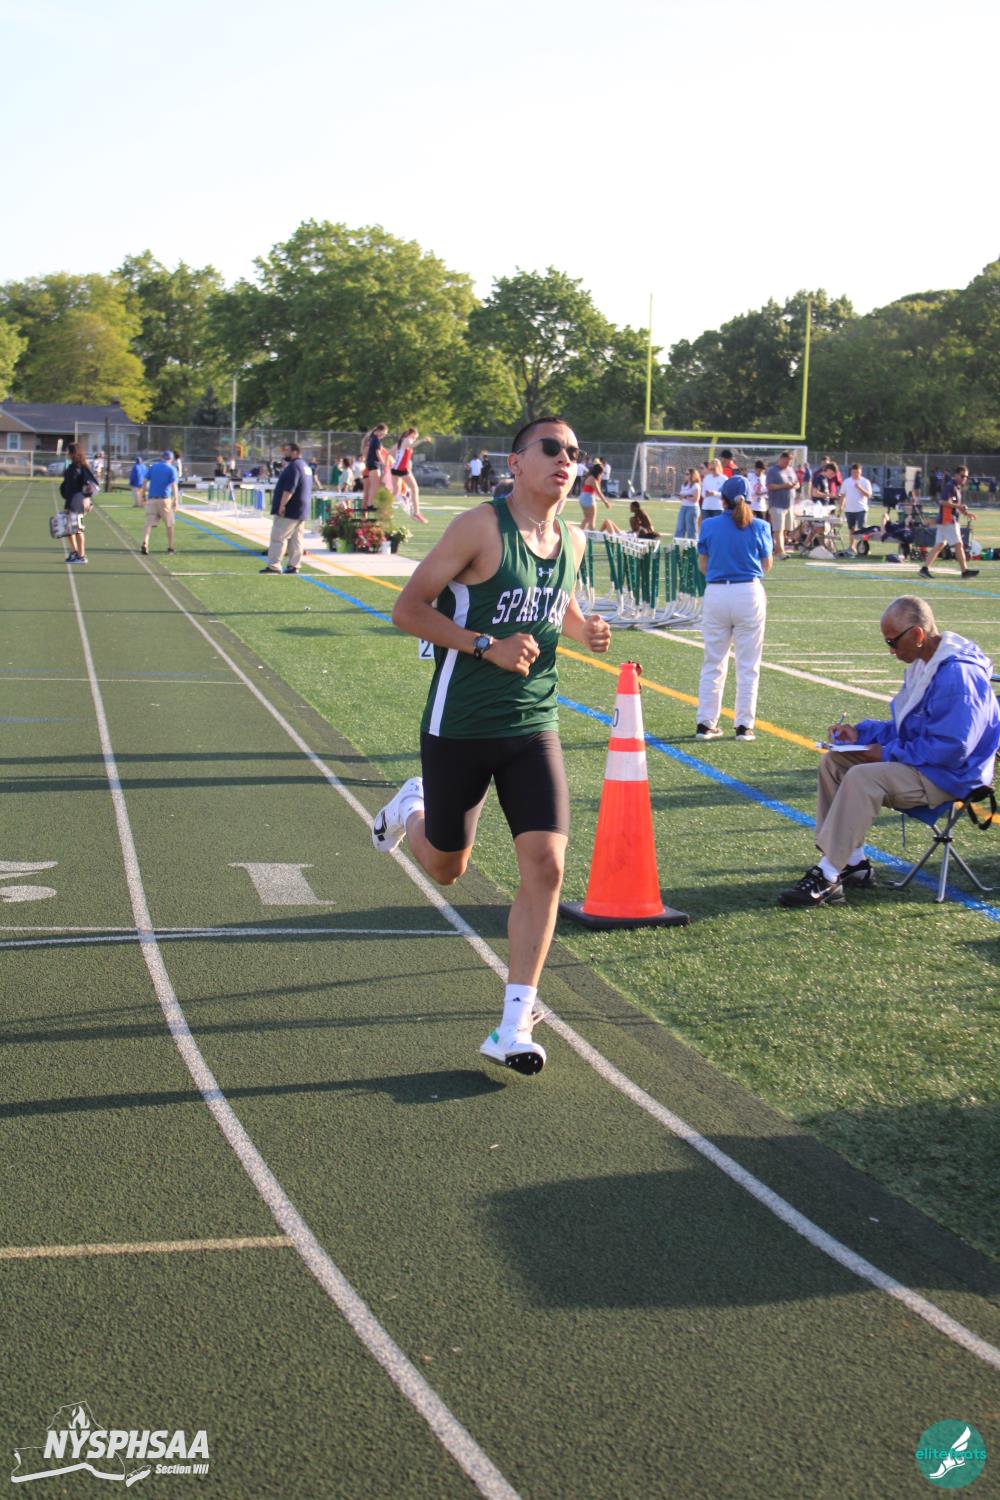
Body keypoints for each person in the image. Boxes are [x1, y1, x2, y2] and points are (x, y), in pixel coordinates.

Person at [371, 415, 612, 1076]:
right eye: (552, 448)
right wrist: (485, 645)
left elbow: (555, 601)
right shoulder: (478, 528)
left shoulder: (573, 539)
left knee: (548, 865)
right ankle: (412, 808)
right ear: (516, 463)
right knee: (447, 867)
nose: (566, 459)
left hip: (533, 721)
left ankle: (514, 1022)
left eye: (574, 452)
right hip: (460, 724)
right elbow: (408, 608)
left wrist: (583, 630)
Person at [780, 596, 1000, 907]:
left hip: (952, 776)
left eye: (893, 641)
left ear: (918, 634)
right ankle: (853, 862)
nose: (891, 650)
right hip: (931, 764)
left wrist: (886, 753)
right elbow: (909, 729)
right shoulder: (927, 663)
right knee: (835, 761)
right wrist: (862, 734)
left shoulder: (957, 676)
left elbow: (952, 749)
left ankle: (828, 874)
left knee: (862, 778)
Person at [694, 473, 773, 742]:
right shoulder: (760, 526)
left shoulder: (710, 525)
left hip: (717, 592)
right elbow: (766, 564)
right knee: (748, 665)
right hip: (748, 592)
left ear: (723, 499)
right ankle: (744, 726)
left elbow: (703, 565)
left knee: (713, 662)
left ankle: (706, 723)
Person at [260, 442, 313, 574]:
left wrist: (282, 505)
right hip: (301, 508)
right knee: (296, 539)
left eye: (286, 450)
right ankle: (294, 565)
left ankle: (274, 565)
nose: (284, 453)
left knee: (279, 536)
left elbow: (290, 488)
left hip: (290, 508)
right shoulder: (305, 466)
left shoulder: (294, 466)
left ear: (295, 452)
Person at [919, 465, 979, 579]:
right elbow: (943, 502)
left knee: (939, 545)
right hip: (948, 520)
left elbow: (955, 506)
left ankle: (924, 569)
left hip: (946, 520)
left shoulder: (957, 487)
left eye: (966, 477)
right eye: (962, 476)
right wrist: (959, 506)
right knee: (958, 544)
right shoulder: (950, 486)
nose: (964, 478)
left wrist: (966, 513)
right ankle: (964, 571)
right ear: (956, 475)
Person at [59, 443, 98, 563]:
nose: (67, 454)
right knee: (68, 529)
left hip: (77, 501)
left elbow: (91, 484)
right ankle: (74, 552)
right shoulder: (71, 467)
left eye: (68, 452)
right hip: (70, 500)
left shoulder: (81, 467)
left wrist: (87, 499)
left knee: (78, 529)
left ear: (73, 453)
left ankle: (81, 556)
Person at [140, 450, 179, 555]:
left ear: (162, 458)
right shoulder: (172, 469)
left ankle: (145, 542)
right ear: (171, 459)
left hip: (152, 499)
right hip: (165, 499)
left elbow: (145, 481)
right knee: (169, 524)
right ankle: (170, 547)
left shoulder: (154, 467)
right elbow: (174, 485)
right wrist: (176, 500)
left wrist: (143, 495)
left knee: (149, 523)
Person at [391, 428, 431, 523]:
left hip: (395, 468)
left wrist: (400, 460)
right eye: (416, 436)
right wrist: (422, 440)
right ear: (412, 434)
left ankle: (384, 506)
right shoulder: (408, 440)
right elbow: (411, 445)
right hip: (401, 469)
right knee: (414, 488)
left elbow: (391, 452)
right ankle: (416, 513)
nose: (416, 438)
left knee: (396, 491)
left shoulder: (401, 441)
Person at [765, 450, 798, 557]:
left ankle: (779, 549)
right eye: (786, 461)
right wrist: (785, 486)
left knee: (786, 529)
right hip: (777, 504)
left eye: (790, 461)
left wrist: (794, 485)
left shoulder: (791, 470)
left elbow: (797, 483)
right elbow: (769, 486)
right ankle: (780, 551)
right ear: (781, 459)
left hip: (789, 504)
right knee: (778, 529)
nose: (788, 463)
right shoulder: (773, 471)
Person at [839, 462, 873, 556]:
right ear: (851, 471)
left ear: (861, 472)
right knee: (851, 529)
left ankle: (864, 547)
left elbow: (869, 495)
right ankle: (852, 547)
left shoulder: (865, 482)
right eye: (854, 472)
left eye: (857, 472)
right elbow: (843, 495)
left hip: (861, 508)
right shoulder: (847, 481)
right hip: (849, 509)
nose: (855, 474)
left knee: (862, 529)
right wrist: (841, 506)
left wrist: (860, 488)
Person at [580, 461, 619, 532]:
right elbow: (599, 492)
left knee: (587, 518)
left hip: (583, 497)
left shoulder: (589, 477)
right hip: (589, 498)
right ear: (599, 472)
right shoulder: (593, 480)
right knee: (592, 519)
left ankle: (580, 532)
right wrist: (606, 502)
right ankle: (592, 533)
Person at [360, 424, 389, 512]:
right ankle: (370, 505)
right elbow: (378, 453)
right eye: (384, 433)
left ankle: (370, 504)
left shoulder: (373, 439)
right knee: (375, 486)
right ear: (379, 431)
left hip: (371, 464)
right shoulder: (376, 440)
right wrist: (383, 463)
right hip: (374, 464)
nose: (384, 435)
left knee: (374, 485)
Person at [675, 467, 700, 540]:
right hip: (683, 507)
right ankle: (677, 544)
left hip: (692, 508)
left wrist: (685, 497)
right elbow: (682, 497)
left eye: (687, 474)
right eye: (685, 474)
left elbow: (696, 499)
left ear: (692, 475)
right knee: (680, 527)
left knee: (691, 529)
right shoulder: (684, 485)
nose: (685, 475)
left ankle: (692, 545)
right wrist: (679, 496)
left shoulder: (696, 485)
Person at [699, 458, 725, 527]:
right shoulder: (707, 478)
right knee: (706, 527)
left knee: (716, 528)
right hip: (706, 507)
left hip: (718, 508)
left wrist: (715, 493)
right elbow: (702, 494)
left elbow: (725, 495)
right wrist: (706, 493)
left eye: (714, 469)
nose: (712, 471)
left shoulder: (724, 478)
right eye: (710, 469)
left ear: (718, 468)